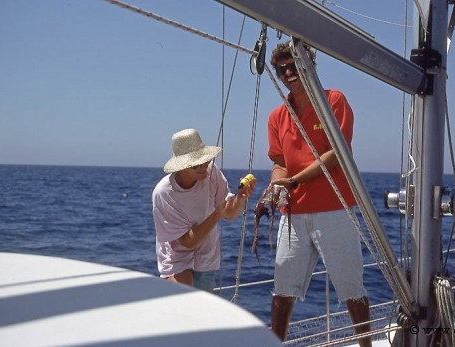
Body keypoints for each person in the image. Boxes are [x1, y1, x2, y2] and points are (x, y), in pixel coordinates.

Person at [266, 41, 372, 346]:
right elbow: (278, 161)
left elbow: (336, 154)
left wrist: (294, 180)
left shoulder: (333, 100)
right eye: (282, 68)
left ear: (308, 65)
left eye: (294, 65)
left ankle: (365, 343)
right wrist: (276, 183)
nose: (288, 72)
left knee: (351, 288)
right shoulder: (277, 116)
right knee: (282, 289)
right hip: (293, 214)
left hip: (334, 209)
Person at [152, 128, 256, 292]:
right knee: (184, 304)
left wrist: (240, 199)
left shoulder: (212, 173)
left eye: (206, 161)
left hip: (206, 258)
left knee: (203, 314)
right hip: (176, 259)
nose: (204, 167)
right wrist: (216, 214)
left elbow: (229, 214)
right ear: (181, 166)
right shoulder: (164, 193)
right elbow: (187, 242)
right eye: (196, 165)